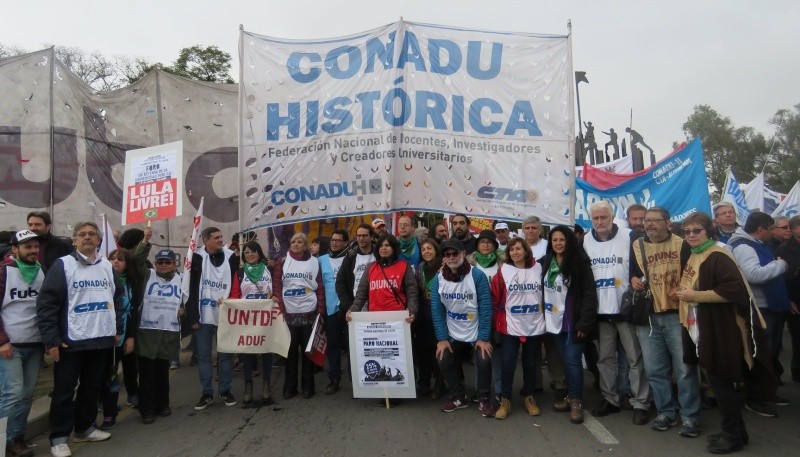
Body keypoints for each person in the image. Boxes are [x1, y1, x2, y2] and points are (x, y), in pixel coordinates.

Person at [676, 212, 770, 454]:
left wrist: (694, 296)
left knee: (722, 382)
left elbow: (733, 291)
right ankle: (737, 432)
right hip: (704, 325)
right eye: (687, 232)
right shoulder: (698, 254)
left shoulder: (718, 255)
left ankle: (733, 436)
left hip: (721, 328)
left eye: (697, 230)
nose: (691, 235)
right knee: (719, 381)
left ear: (709, 230)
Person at [36, 222, 124, 457]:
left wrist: (116, 328)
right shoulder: (63, 265)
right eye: (82, 234)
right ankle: (59, 438)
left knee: (91, 388)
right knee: (64, 392)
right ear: (74, 240)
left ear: (98, 240)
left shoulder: (107, 265)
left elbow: (117, 298)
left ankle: (84, 428)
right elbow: (47, 304)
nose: (87, 238)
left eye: (92, 234)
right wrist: (52, 340)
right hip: (70, 341)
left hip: (100, 340)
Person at [631, 207, 701, 437]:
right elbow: (634, 273)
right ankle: (666, 412)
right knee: (655, 370)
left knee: (684, 369)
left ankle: (690, 417)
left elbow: (692, 275)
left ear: (668, 223)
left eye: (655, 221)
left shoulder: (682, 244)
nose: (649, 224)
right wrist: (634, 280)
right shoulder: (637, 246)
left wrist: (681, 287)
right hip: (649, 317)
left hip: (676, 315)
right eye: (646, 221)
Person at [583, 201, 650, 425]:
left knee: (635, 358)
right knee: (605, 359)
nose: (600, 222)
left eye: (604, 217)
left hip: (625, 308)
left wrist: (636, 276)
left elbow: (642, 266)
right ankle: (609, 399)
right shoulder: (585, 239)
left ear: (612, 217)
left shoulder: (630, 236)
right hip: (600, 311)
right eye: (596, 218)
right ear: (591, 219)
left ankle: (641, 402)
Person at [729, 212, 789, 412]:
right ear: (761, 229)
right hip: (759, 307)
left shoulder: (759, 244)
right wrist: (779, 265)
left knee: (769, 352)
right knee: (759, 353)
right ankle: (754, 397)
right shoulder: (745, 247)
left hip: (770, 306)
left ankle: (765, 392)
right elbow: (752, 275)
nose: (772, 233)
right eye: (771, 229)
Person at [541, 226, 598, 424]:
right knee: (566, 360)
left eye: (562, 240)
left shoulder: (580, 262)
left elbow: (590, 294)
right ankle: (570, 396)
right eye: (554, 240)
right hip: (554, 322)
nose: (558, 243)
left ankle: (576, 401)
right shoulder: (547, 261)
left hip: (574, 322)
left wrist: (584, 323)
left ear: (569, 241)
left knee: (573, 361)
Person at [430, 238, 493, 417]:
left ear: (464, 254)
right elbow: (436, 308)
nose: (451, 257)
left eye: (455, 253)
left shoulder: (477, 275)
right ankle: (458, 396)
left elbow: (486, 307)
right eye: (447, 254)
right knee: (442, 358)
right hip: (452, 330)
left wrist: (483, 337)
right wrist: (442, 338)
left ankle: (483, 398)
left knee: (484, 358)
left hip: (475, 329)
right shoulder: (439, 277)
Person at [0, 230, 45, 457]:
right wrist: (2, 341)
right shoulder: (4, 272)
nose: (33, 251)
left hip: (34, 344)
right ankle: (1, 442)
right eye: (27, 247)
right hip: (11, 346)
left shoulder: (40, 272)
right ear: (15, 250)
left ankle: (17, 439)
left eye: (36, 246)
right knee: (12, 394)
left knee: (27, 395)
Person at [185, 226, 239, 410]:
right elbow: (190, 288)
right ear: (206, 240)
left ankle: (225, 390)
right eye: (216, 237)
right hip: (203, 315)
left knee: (225, 355)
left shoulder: (231, 257)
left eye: (221, 237)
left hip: (225, 314)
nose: (220, 240)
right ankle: (207, 393)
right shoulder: (196, 258)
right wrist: (192, 315)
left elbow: (236, 282)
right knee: (204, 356)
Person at [491, 237, 545, 420]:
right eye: (512, 249)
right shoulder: (503, 271)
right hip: (510, 325)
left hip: (533, 324)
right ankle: (505, 399)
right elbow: (495, 298)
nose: (515, 252)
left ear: (526, 251)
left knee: (530, 363)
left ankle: (529, 397)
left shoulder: (539, 269)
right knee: (507, 363)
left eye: (518, 249)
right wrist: (496, 322)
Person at [272, 233, 324, 399]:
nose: (295, 244)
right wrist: (280, 307)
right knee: (290, 352)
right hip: (289, 313)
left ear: (305, 245)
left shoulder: (314, 262)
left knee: (308, 353)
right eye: (293, 241)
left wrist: (321, 308)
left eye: (299, 241)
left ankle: (308, 387)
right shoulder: (283, 261)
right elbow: (277, 285)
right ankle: (290, 387)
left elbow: (320, 285)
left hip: (309, 311)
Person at [135, 249, 183, 423]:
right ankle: (147, 409)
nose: (163, 265)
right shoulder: (147, 275)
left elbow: (186, 301)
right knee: (146, 373)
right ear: (155, 263)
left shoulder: (181, 280)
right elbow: (135, 260)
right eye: (160, 262)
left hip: (166, 334)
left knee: (162, 372)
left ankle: (163, 404)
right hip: (147, 333)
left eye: (167, 262)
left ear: (174, 263)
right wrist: (145, 242)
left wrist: (183, 310)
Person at [229, 241, 275, 405]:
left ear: (259, 252)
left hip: (266, 317)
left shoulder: (269, 269)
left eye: (253, 251)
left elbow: (276, 290)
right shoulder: (240, 273)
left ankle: (266, 384)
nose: (250, 254)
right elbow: (235, 294)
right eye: (247, 252)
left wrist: (276, 298)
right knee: (247, 351)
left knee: (266, 350)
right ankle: (248, 385)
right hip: (247, 318)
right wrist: (227, 303)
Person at [99, 249, 140, 430]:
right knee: (111, 375)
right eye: (112, 259)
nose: (115, 262)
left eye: (120, 260)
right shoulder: (102, 282)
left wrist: (131, 336)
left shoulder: (132, 284)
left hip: (125, 335)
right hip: (107, 336)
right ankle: (109, 411)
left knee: (131, 368)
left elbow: (132, 313)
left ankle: (133, 394)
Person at [414, 238, 446, 399]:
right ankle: (423, 383)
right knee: (423, 352)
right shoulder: (420, 268)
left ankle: (440, 384)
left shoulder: (444, 267)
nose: (426, 251)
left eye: (429, 248)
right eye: (423, 249)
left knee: (439, 352)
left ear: (436, 250)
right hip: (423, 315)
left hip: (440, 315)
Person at [319, 230, 348, 395]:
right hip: (331, 310)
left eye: (338, 241)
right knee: (334, 346)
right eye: (333, 240)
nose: (335, 243)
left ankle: (356, 380)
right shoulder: (322, 260)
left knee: (351, 345)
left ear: (345, 242)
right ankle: (334, 379)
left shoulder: (351, 258)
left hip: (349, 308)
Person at [776, 215, 800, 383]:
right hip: (795, 301)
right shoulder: (783, 250)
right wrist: (787, 300)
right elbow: (779, 280)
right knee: (798, 340)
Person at [336, 224, 375, 321]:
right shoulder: (350, 256)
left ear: (371, 237)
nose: (361, 238)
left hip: (375, 307)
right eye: (358, 236)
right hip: (354, 307)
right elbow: (340, 282)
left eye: (364, 235)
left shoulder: (379, 255)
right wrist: (350, 306)